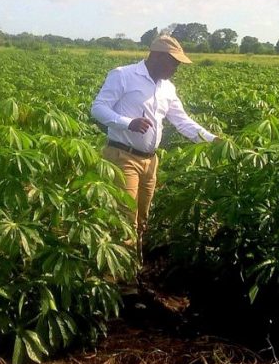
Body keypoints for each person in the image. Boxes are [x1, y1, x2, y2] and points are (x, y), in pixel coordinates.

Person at [91, 35, 217, 242]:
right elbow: (98, 108)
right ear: (157, 56)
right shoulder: (123, 75)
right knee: (126, 217)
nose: (176, 68)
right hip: (123, 157)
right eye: (173, 62)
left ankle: (136, 260)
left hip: (151, 161)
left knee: (142, 217)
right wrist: (127, 122)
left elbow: (182, 121)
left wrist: (212, 140)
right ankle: (121, 272)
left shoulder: (167, 88)